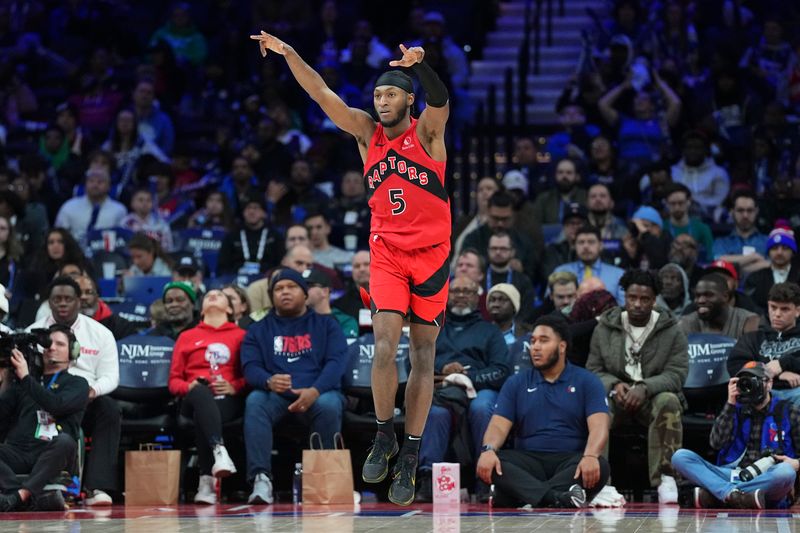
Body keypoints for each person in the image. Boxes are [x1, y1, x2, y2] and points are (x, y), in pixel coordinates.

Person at [250, 30, 452, 505]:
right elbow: (321, 92)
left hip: (431, 256)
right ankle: (386, 436)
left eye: (390, 94)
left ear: (407, 99)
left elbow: (441, 98)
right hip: (385, 252)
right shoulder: (367, 133)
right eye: (377, 94)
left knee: (423, 355)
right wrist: (290, 53)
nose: (381, 101)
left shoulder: (428, 133)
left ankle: (411, 451)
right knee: (385, 344)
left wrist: (418, 65)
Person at [476, 315, 610, 508]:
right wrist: (488, 450)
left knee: (601, 466)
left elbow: (599, 427)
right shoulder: (516, 382)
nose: (535, 347)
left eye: (543, 340)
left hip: (569, 462)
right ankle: (558, 498)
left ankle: (521, 494)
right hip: (527, 461)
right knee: (494, 461)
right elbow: (498, 425)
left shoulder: (587, 381)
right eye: (533, 341)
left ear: (562, 347)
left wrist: (590, 456)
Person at [240, 268, 349, 505]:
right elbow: (250, 367)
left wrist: (315, 390)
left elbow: (337, 362)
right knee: (255, 401)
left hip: (319, 393)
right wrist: (268, 381)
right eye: (278, 289)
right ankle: (261, 479)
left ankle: (324, 479)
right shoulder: (258, 329)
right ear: (271, 296)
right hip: (277, 396)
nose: (285, 292)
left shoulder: (327, 325)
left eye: (291, 287)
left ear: (305, 293)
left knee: (329, 404)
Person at [586, 269, 689, 504]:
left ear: (654, 300)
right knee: (597, 407)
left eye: (644, 299)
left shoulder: (671, 329)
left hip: (652, 397)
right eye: (632, 298)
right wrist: (613, 385)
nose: (637, 304)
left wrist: (645, 387)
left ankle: (666, 478)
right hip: (617, 396)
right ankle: (601, 482)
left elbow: (677, 373)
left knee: (669, 401)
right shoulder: (606, 326)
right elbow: (593, 369)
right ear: (625, 297)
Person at [415, 275, 510, 502]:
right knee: (435, 412)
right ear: (446, 296)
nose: (460, 296)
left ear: (477, 298)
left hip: (480, 387)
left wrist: (468, 377)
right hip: (443, 387)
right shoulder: (434, 328)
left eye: (466, 292)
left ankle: (485, 477)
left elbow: (501, 370)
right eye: (455, 291)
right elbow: (415, 360)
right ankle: (427, 479)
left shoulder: (490, 331)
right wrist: (443, 368)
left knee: (482, 407)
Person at [28, 276, 120, 506]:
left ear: (79, 301)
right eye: (56, 299)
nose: (62, 303)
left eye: (68, 298)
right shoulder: (33, 332)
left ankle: (97, 487)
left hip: (86, 399)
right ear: (48, 302)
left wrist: (92, 391)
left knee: (109, 409)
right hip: (44, 400)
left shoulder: (100, 333)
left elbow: (111, 376)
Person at [671, 362, 799, 509]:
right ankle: (736, 495)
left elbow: (789, 469)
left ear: (769, 383)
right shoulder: (733, 408)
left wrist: (797, 463)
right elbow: (715, 443)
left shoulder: (789, 412)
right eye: (745, 382)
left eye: (754, 381)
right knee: (680, 457)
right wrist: (730, 403)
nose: (750, 387)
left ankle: (719, 496)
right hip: (732, 474)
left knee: (786, 472)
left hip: (767, 477)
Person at [168, 290, 247, 505]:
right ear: (201, 309)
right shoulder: (186, 336)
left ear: (230, 309)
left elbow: (248, 376)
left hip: (225, 398)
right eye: (208, 295)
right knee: (201, 393)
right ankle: (219, 450)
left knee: (207, 411)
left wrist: (234, 386)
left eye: (220, 295)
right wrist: (189, 386)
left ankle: (206, 483)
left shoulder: (241, 336)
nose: (213, 296)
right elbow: (174, 381)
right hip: (191, 399)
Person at [0, 325, 89, 512]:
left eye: (60, 344)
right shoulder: (21, 384)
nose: (52, 347)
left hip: (52, 452)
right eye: (49, 343)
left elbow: (56, 405)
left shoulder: (77, 384)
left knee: (65, 441)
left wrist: (25, 377)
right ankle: (18, 496)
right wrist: (7, 378)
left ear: (72, 352)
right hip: (19, 451)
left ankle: (21, 496)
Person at [728, 283, 800, 405]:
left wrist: (784, 363)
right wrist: (776, 374)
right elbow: (735, 366)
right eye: (773, 307)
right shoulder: (753, 338)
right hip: (760, 393)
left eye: (785, 309)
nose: (777, 314)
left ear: (797, 311)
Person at [53, 167, 127, 246]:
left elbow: (122, 239)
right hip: (73, 253)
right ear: (85, 184)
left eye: (100, 182)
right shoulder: (69, 206)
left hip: (106, 254)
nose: (95, 185)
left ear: (109, 186)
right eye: (91, 181)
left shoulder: (119, 210)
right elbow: (58, 234)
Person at [554, 225, 626, 305]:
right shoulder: (561, 272)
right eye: (581, 242)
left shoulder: (618, 275)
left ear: (601, 245)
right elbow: (550, 304)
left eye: (591, 242)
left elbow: (623, 308)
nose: (586, 246)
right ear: (574, 246)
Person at [218, 198, 284, 276]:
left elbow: (280, 264)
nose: (251, 212)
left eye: (256, 208)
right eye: (248, 208)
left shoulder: (275, 235)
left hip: (266, 279)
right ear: (243, 212)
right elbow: (223, 265)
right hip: (236, 279)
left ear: (264, 213)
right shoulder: (232, 236)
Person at [680, 274, 760, 337]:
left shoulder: (748, 321)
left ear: (725, 297)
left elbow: (755, 355)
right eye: (697, 296)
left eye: (708, 295)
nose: (701, 301)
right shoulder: (687, 323)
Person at [712, 190, 770, 274]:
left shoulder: (767, 241)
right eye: (740, 210)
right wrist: (754, 257)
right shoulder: (721, 242)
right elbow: (718, 261)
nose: (745, 215)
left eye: (749, 210)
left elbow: (773, 265)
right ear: (732, 212)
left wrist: (734, 266)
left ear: (756, 211)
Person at [485, 231, 536, 323]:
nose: (498, 252)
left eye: (503, 249)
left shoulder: (523, 281)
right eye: (494, 248)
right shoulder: (479, 278)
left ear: (512, 252)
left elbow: (526, 313)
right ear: (488, 251)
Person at [744, 229, 799, 311]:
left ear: (793, 252)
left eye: (785, 248)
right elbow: (750, 307)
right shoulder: (755, 278)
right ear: (768, 252)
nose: (779, 252)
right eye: (774, 248)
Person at [662, 184, 714, 262]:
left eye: (681, 203)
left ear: (689, 202)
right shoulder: (661, 228)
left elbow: (710, 257)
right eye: (672, 203)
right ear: (666, 204)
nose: (677, 208)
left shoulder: (702, 228)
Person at [76, 275, 139, 339]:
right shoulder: (66, 325)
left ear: (97, 296)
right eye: (78, 293)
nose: (83, 297)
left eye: (89, 292)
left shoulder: (122, 326)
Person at [531, 158, 588, 227]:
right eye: (560, 172)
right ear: (555, 175)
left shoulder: (585, 196)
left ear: (576, 176)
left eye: (569, 173)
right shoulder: (543, 199)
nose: (564, 176)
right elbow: (535, 225)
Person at [304, 268, 358, 339]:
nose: (303, 290)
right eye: (301, 286)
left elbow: (345, 347)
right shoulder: (298, 320)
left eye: (308, 286)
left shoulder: (345, 321)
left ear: (325, 291)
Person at [333, 250, 370, 321]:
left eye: (366, 264)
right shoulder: (340, 306)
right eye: (357, 266)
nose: (361, 269)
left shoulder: (390, 298)